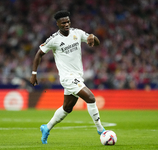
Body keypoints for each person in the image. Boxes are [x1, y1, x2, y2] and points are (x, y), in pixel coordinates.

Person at [30, 10, 105, 144]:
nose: (66, 24)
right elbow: (38, 54)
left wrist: (93, 37)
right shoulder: (54, 39)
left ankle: (46, 128)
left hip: (77, 76)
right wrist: (34, 74)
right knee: (91, 98)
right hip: (67, 77)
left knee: (67, 108)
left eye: (68, 21)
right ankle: (101, 130)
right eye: (63, 22)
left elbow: (96, 43)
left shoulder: (77, 33)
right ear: (58, 24)